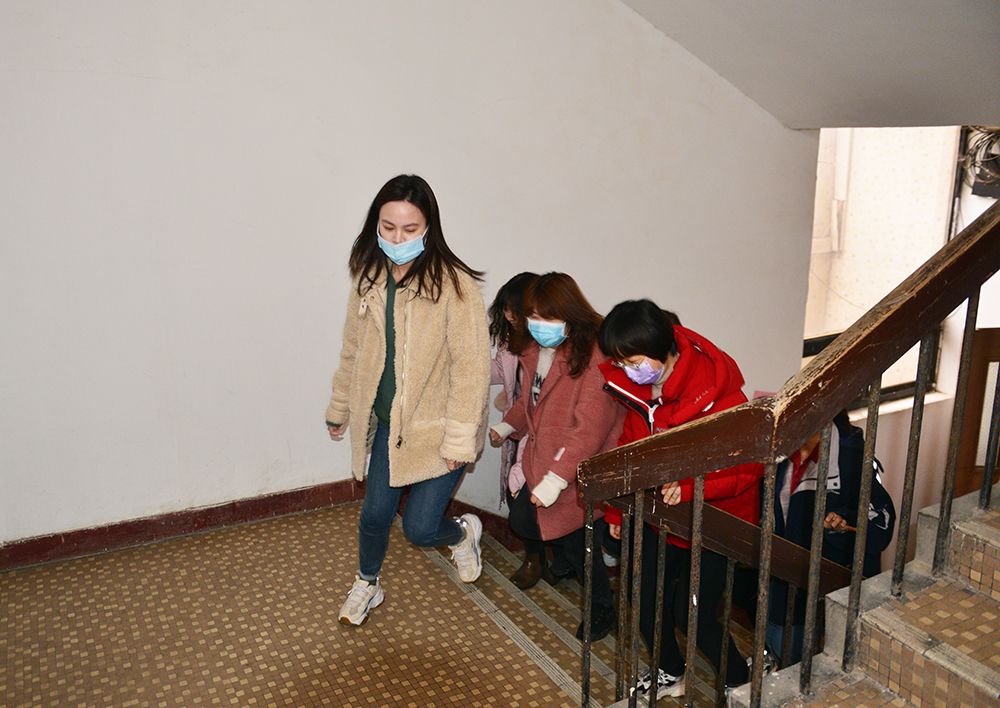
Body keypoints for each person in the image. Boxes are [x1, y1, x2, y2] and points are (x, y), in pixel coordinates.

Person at [326, 174, 491, 626]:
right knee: (375, 514)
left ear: (429, 228)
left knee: (419, 529)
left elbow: (472, 369)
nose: (397, 239)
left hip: (439, 427)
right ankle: (367, 582)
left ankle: (461, 534)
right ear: (375, 226)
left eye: (410, 229)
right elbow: (353, 349)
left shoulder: (455, 287)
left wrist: (459, 440)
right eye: (388, 227)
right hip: (389, 425)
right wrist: (340, 408)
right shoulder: (369, 278)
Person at [598, 299, 764, 700]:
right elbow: (629, 450)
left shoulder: (721, 396)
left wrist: (690, 488)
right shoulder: (642, 390)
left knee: (693, 613)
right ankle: (670, 671)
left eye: (632, 361)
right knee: (642, 599)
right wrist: (616, 509)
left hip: (714, 521)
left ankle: (739, 682)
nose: (627, 371)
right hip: (661, 516)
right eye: (619, 363)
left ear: (663, 349)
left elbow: (748, 466)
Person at [489, 273, 625, 640]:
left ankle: (602, 609)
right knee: (537, 524)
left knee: (581, 543)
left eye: (547, 317)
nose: (538, 324)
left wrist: (555, 479)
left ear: (570, 314)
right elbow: (529, 400)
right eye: (533, 316)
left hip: (577, 468)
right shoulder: (535, 350)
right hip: (544, 459)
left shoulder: (594, 358)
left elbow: (589, 430)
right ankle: (566, 566)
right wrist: (508, 425)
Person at [766, 410, 896, 664]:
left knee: (832, 655)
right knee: (781, 646)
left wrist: (841, 521)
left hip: (833, 579)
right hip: (788, 577)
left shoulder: (853, 457)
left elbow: (881, 522)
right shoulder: (782, 456)